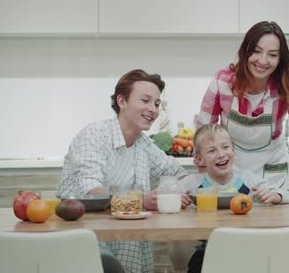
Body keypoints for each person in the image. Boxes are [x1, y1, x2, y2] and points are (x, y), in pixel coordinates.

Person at [58, 69, 193, 273]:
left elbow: (179, 174)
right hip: (87, 235)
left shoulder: (144, 144)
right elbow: (90, 191)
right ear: (122, 101)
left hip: (127, 238)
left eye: (157, 104)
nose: (153, 109)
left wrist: (175, 192)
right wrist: (140, 200)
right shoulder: (94, 135)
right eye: (145, 100)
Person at [196, 21, 289, 192]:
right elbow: (204, 129)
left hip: (271, 170)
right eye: (256, 51)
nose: (263, 61)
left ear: (280, 58)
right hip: (230, 169)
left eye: (272, 54)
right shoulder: (222, 82)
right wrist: (203, 167)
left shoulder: (288, 84)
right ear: (245, 51)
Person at [178, 123, 289, 272]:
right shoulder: (193, 184)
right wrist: (175, 199)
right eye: (212, 150)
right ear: (199, 158)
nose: (221, 154)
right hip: (208, 251)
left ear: (233, 151)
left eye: (226, 147)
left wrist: (277, 196)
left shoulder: (248, 181)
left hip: (247, 249)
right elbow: (163, 194)